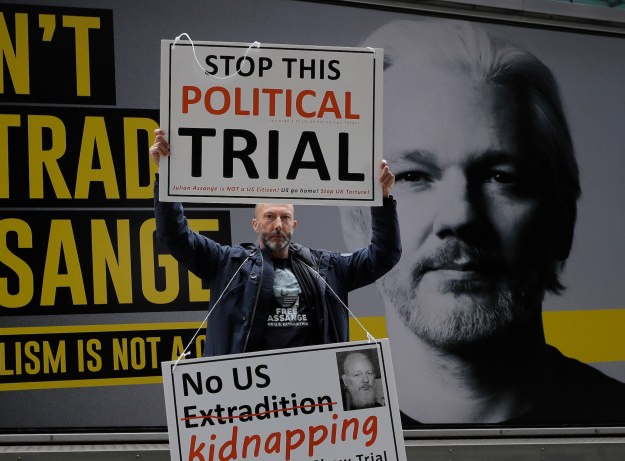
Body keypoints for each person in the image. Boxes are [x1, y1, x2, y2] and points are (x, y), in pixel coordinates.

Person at [341, 19, 625, 425]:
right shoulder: (300, 438)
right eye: (412, 176)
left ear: (563, 221)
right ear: (355, 221)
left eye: (500, 177)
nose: (461, 216)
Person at [149, 129, 401, 356]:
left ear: (294, 225)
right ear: (255, 225)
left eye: (285, 217)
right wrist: (166, 174)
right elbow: (175, 235)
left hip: (315, 398)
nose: (278, 224)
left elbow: (384, 254)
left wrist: (383, 200)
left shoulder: (327, 267)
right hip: (249, 398)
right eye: (269, 217)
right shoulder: (226, 264)